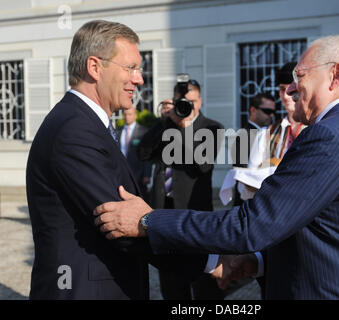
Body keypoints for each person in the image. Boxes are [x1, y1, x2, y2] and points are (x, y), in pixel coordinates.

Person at [94, 35, 339, 299]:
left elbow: (251, 226)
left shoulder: (328, 137)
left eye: (299, 77)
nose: (290, 89)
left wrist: (149, 220)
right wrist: (259, 261)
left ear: (336, 73)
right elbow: (337, 227)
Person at [26, 20, 208, 299]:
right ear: (95, 67)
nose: (139, 79)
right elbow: (121, 227)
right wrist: (209, 262)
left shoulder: (84, 123)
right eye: (131, 68)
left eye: (140, 69)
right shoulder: (74, 130)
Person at [138, 80, 225, 300]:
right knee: (170, 282)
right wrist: (164, 122)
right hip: (164, 210)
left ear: (200, 101)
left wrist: (185, 129)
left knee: (203, 281)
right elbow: (143, 153)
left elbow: (202, 164)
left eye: (193, 102)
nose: (189, 106)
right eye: (183, 102)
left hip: (194, 212)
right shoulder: (166, 125)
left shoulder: (212, 127)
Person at [231, 93, 276, 205]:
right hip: (247, 200)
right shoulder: (245, 135)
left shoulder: (268, 134)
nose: (271, 115)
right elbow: (243, 173)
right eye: (267, 111)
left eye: (273, 112)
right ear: (253, 110)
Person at [117, 107, 152, 202]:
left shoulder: (143, 132)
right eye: (125, 114)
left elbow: (147, 155)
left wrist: (147, 174)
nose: (127, 117)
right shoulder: (118, 132)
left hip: (138, 174)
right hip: (122, 174)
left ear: (135, 116)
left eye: (130, 114)